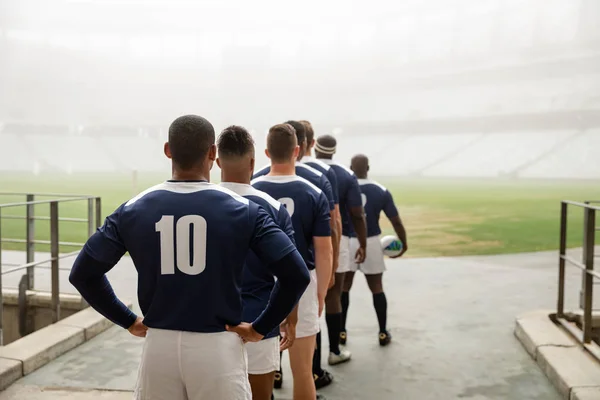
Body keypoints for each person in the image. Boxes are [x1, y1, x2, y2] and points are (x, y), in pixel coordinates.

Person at [69, 115, 310, 400]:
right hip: (219, 349)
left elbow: (83, 273)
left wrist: (128, 320)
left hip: (158, 345)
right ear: (212, 153)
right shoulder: (245, 209)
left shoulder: (133, 208)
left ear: (168, 150)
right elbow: (296, 274)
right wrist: (260, 327)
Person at [216, 125, 305, 400]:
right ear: (254, 163)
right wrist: (290, 318)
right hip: (260, 319)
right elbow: (290, 272)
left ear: (217, 161)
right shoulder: (273, 208)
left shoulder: (203, 203)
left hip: (211, 324)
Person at [254, 120, 340, 389]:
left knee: (254, 374)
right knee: (303, 372)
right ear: (298, 151)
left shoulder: (252, 188)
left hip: (259, 284)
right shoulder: (313, 192)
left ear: (267, 153)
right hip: (303, 282)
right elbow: (324, 250)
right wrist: (322, 291)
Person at [342, 154, 408, 346]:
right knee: (377, 287)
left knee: (344, 288)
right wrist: (403, 243)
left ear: (350, 168)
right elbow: (395, 220)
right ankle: (382, 332)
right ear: (368, 167)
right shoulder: (380, 190)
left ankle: (341, 332)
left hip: (349, 241)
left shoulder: (345, 188)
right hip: (370, 241)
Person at [313, 134, 367, 363]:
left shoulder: (307, 169)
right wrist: (363, 242)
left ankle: (307, 361)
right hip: (339, 237)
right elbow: (356, 212)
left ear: (315, 149)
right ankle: (335, 351)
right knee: (334, 295)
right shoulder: (347, 174)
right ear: (334, 151)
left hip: (307, 240)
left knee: (308, 300)